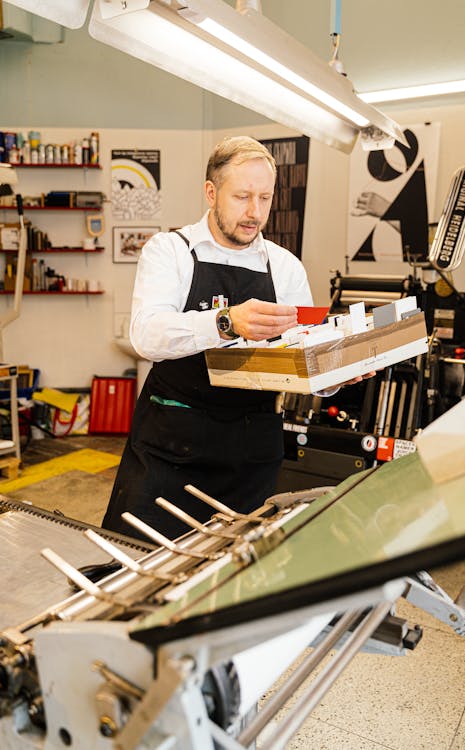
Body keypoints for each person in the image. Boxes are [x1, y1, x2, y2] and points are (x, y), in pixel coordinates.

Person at [102, 135, 369, 542]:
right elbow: (146, 335)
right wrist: (226, 322)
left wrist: (334, 373)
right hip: (172, 448)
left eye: (265, 198)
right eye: (242, 196)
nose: (254, 212)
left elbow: (301, 360)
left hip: (251, 453)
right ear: (211, 192)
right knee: (134, 566)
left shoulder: (285, 267)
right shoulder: (170, 251)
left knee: (234, 582)